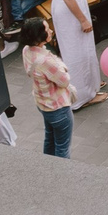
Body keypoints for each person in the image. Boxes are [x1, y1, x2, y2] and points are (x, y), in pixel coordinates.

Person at [17, 18, 74, 158]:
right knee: (62, 147)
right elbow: (64, 81)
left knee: (49, 139)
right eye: (47, 30)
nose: (51, 31)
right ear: (39, 37)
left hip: (42, 102)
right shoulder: (46, 61)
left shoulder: (26, 50)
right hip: (58, 107)